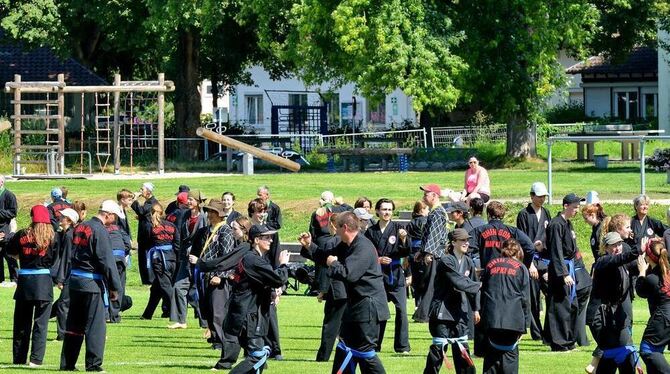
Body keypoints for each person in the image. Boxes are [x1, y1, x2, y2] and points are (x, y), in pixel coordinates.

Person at [60, 200, 122, 372]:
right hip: (91, 283)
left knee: (74, 325)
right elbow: (106, 261)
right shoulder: (100, 230)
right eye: (114, 217)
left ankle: (67, 363)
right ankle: (94, 365)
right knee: (95, 326)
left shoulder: (80, 226)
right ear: (108, 214)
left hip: (75, 281)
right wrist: (114, 286)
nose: (114, 220)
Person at [468, 201, 536, 357]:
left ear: (488, 214)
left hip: (489, 273)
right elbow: (530, 247)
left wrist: (472, 268)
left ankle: (481, 349)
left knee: (484, 308)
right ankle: (504, 342)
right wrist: (522, 267)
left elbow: (467, 246)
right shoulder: (511, 230)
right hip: (510, 274)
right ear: (503, 215)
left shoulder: (480, 230)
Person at [327, 211, 390, 374]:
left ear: (345, 227)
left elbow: (350, 274)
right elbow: (327, 255)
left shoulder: (363, 246)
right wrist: (308, 246)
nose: (336, 231)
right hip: (355, 307)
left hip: (368, 309)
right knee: (344, 347)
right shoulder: (348, 244)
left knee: (365, 353)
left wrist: (333, 264)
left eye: (337, 228)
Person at [223, 224, 290, 374]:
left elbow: (257, 281)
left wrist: (270, 291)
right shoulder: (253, 259)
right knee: (258, 356)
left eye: (271, 237)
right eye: (267, 238)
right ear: (257, 240)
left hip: (247, 313)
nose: (271, 241)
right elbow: (278, 278)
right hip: (248, 315)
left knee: (258, 356)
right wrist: (283, 264)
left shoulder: (254, 258)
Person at [6, 205, 59, 367]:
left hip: (25, 281)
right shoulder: (53, 236)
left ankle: (19, 358)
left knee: (21, 323)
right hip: (43, 281)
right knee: (41, 324)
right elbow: (56, 259)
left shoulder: (22, 234)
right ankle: (36, 359)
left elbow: (10, 252)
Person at [424, 228, 480, 374]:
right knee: (438, 350)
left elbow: (472, 284)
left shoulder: (468, 261)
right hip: (442, 311)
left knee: (463, 350)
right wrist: (481, 285)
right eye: (462, 240)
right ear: (453, 242)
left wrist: (476, 309)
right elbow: (459, 282)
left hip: (460, 312)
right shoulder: (446, 260)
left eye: (467, 240)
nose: (466, 243)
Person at [200, 215, 251, 370]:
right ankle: (252, 358)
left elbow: (226, 261)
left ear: (243, 230)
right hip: (242, 291)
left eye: (235, 228)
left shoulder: (245, 247)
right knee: (244, 326)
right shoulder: (243, 246)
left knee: (231, 325)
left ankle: (226, 361)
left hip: (245, 293)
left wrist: (206, 266)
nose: (232, 231)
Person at [589, 232, 641, 373]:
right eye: (613, 245)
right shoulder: (603, 261)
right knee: (619, 352)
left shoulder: (623, 263)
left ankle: (595, 365)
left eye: (619, 244)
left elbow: (637, 265)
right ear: (605, 248)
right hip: (600, 318)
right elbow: (624, 257)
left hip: (615, 316)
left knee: (616, 355)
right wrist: (640, 246)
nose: (617, 248)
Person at [193, 199, 238, 360]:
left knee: (218, 312)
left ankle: (226, 343)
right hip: (205, 275)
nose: (209, 214)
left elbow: (226, 256)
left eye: (212, 212)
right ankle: (216, 339)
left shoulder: (225, 230)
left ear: (219, 215)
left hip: (217, 277)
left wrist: (220, 275)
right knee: (207, 311)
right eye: (208, 212)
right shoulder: (206, 230)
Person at [364, 198, 411, 354]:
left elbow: (406, 252)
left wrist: (404, 239)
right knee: (380, 312)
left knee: (402, 311)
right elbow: (366, 254)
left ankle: (402, 346)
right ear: (377, 211)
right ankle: (375, 344)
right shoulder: (371, 232)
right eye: (384, 209)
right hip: (378, 276)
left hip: (396, 274)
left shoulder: (399, 228)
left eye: (390, 210)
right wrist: (378, 259)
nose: (387, 212)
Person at [298, 214, 344, 362]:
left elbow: (324, 264)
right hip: (349, 289)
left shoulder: (333, 242)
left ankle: (323, 356)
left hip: (336, 290)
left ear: (333, 226)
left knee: (330, 325)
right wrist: (309, 245)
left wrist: (323, 289)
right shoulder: (352, 241)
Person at [480, 239, 530, 374]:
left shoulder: (490, 264)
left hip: (491, 318)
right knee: (510, 358)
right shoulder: (521, 268)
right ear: (519, 252)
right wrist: (526, 323)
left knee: (491, 359)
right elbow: (525, 298)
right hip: (513, 321)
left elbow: (482, 291)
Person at [545, 193, 585, 352]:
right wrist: (564, 274)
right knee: (560, 307)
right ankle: (559, 343)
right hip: (560, 270)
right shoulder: (556, 224)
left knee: (572, 305)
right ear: (565, 206)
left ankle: (569, 340)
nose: (577, 210)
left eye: (578, 207)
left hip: (570, 267)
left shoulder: (567, 224)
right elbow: (556, 251)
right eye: (575, 207)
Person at [515, 182, 551, 341]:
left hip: (545, 260)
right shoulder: (523, 214)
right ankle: (536, 332)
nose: (542, 199)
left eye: (544, 196)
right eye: (539, 196)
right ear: (531, 196)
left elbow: (549, 237)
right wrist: (529, 264)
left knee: (551, 294)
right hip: (530, 261)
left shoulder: (546, 213)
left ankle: (550, 331)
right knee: (534, 299)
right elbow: (521, 240)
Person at [171, 189, 208, 329]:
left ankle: (205, 323)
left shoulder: (204, 217)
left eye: (191, 199)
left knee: (199, 290)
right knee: (178, 287)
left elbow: (205, 238)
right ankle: (180, 320)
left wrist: (199, 257)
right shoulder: (185, 214)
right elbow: (181, 235)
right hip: (185, 258)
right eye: (188, 199)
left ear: (198, 202)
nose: (188, 201)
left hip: (199, 258)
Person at [414, 184, 449, 323]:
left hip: (436, 255)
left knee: (431, 285)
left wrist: (428, 253)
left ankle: (424, 315)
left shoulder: (437, 212)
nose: (423, 197)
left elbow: (434, 235)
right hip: (437, 253)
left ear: (434, 196)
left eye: (426, 194)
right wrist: (422, 252)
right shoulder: (438, 211)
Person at [141, 203, 180, 322]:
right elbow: (177, 243)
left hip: (159, 259)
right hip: (172, 258)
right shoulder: (171, 225)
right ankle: (147, 314)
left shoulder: (150, 226)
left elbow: (145, 242)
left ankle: (177, 312)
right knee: (156, 288)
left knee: (165, 286)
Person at [636, 240, 670, 373]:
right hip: (665, 317)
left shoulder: (652, 278)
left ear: (649, 257)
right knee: (657, 350)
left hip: (663, 317)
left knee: (647, 349)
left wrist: (642, 272)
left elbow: (640, 291)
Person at [52, 208, 79, 341]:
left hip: (70, 274)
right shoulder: (67, 233)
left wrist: (61, 279)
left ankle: (62, 334)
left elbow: (66, 258)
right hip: (73, 273)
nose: (59, 218)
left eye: (62, 217)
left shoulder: (69, 235)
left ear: (68, 220)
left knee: (63, 305)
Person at [106, 212, 131, 323]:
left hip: (107, 259)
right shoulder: (120, 230)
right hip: (119, 259)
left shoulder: (102, 229)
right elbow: (128, 245)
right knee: (119, 286)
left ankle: (105, 314)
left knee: (106, 286)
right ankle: (114, 316)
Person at [131, 182, 158, 285]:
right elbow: (144, 214)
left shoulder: (152, 202)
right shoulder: (148, 202)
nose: (140, 191)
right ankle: (146, 279)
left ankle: (150, 279)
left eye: (142, 189)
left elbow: (141, 211)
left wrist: (134, 200)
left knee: (147, 257)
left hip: (148, 237)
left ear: (148, 191)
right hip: (144, 236)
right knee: (142, 258)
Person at [407, 201, 429, 308]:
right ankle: (424, 306)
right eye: (427, 209)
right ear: (422, 210)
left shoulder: (411, 222)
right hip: (422, 251)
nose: (428, 211)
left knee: (416, 280)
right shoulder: (425, 221)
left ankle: (417, 304)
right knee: (425, 279)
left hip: (412, 252)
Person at [0, 175, 19, 286]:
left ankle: (15, 279)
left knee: (9, 254)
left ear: (2, 182)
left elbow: (13, 212)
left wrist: (0, 213)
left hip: (5, 227)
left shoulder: (9, 195)